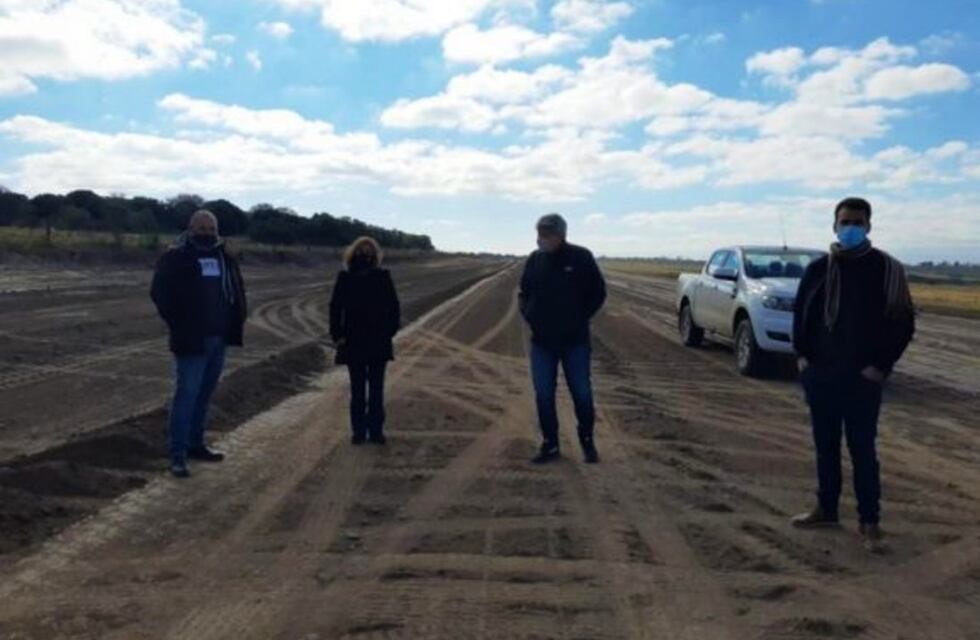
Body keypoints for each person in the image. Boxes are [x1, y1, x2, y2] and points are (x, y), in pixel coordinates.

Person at [792, 197, 915, 552]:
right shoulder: (817, 269)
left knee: (862, 450)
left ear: (869, 226)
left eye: (857, 222)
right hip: (821, 376)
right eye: (845, 222)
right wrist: (802, 359)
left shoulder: (886, 270)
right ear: (834, 225)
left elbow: (902, 323)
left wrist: (880, 366)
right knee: (825, 447)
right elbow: (802, 314)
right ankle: (826, 509)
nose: (850, 228)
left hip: (862, 380)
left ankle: (869, 521)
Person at [150, 209, 247, 478]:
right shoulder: (176, 257)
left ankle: (196, 445)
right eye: (201, 228)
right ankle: (177, 455)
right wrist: (179, 324)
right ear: (190, 228)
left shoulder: (225, 258)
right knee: (186, 395)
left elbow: (237, 290)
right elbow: (160, 293)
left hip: (219, 338)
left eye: (211, 228)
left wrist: (237, 318)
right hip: (191, 339)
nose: (206, 233)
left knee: (204, 396)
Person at [519, 213, 607, 464]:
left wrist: (579, 318)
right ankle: (550, 444)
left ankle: (587, 442)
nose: (541, 240)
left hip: (574, 342)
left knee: (581, 392)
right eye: (539, 235)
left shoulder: (581, 257)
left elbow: (598, 293)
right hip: (542, 343)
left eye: (546, 235)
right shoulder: (535, 260)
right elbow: (524, 292)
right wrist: (529, 314)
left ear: (560, 235)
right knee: (544, 394)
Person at [329, 236, 400, 445]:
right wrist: (337, 334)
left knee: (376, 390)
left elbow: (394, 307)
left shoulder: (383, 276)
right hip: (353, 340)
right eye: (361, 251)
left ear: (375, 255)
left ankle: (376, 430)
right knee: (357, 389)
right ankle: (358, 431)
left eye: (369, 252)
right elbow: (335, 307)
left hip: (378, 339)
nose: (365, 255)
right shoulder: (345, 277)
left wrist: (390, 331)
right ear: (353, 253)